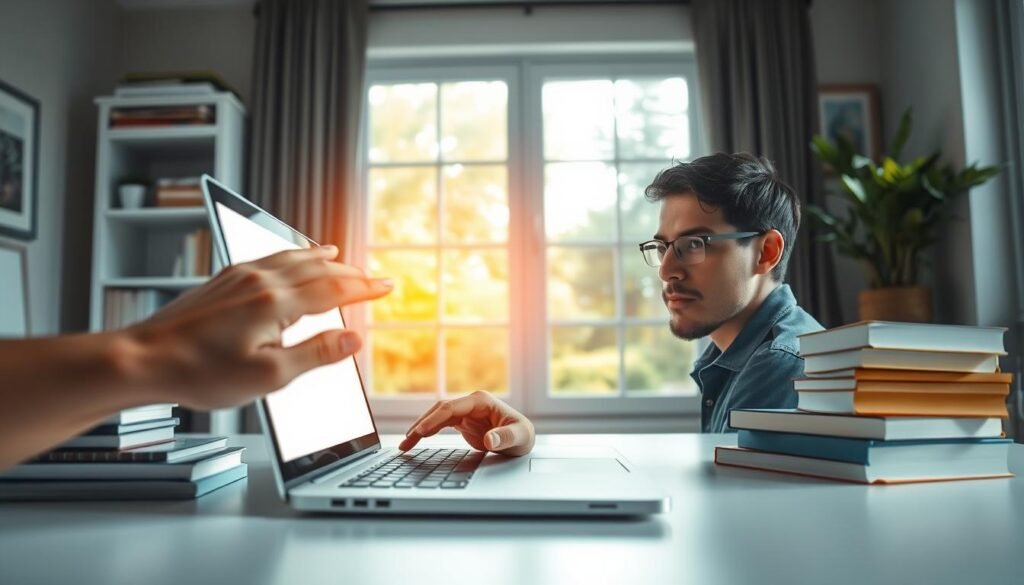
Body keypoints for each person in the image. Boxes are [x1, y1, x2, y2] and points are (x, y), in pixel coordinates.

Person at [400, 152, 823, 453]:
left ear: (766, 252)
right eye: (662, 247)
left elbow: (729, 516)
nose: (666, 270)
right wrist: (526, 440)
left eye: (695, 244)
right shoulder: (735, 356)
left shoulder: (783, 364)